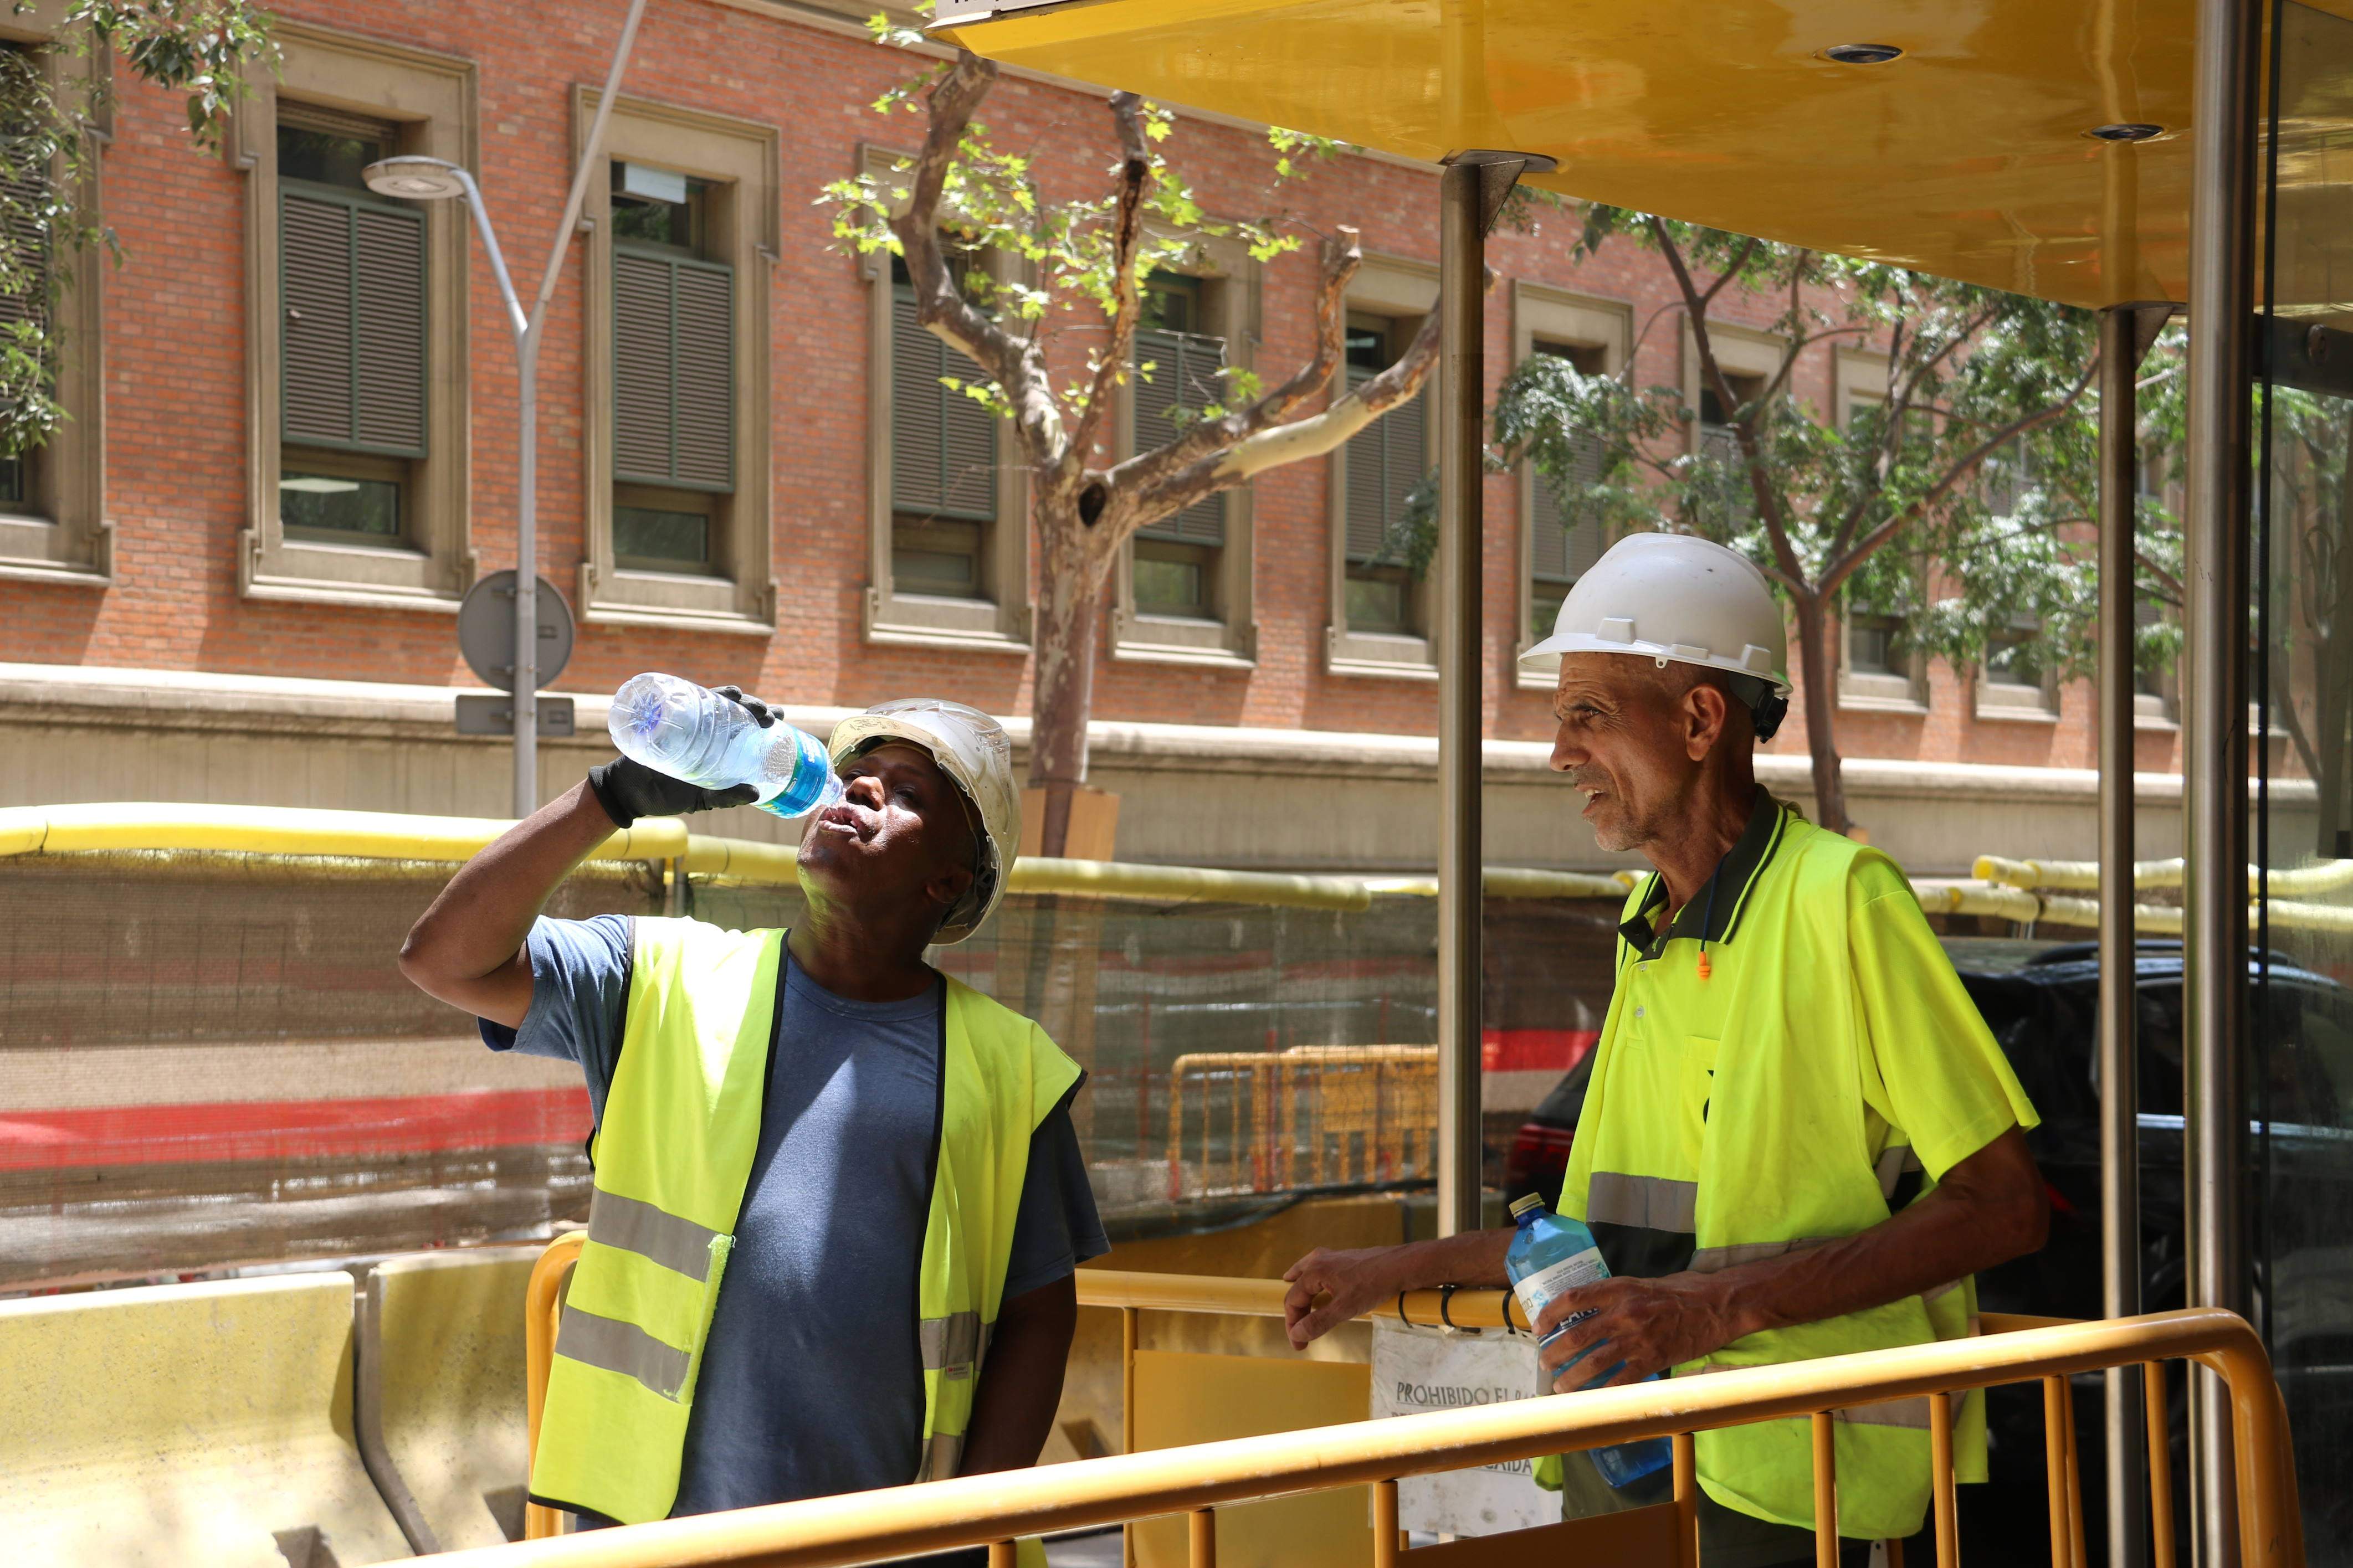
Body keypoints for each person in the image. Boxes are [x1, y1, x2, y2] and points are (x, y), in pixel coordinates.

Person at [1280, 534, 2048, 1566]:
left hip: (1786, 1474)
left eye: (1588, 714)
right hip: (1626, 1446)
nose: (1559, 753)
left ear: (1699, 719)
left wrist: (1711, 1313)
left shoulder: (1844, 901)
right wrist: (1387, 1269)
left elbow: (2004, 1207)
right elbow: (1596, 1237)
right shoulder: (1651, 921)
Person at [399, 689, 1106, 1551]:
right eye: (856, 774)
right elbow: (443, 960)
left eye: (910, 792)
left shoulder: (1011, 1068)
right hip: (652, 1529)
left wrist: (972, 1529)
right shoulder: (664, 974)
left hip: (885, 1541)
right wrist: (612, 798)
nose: (865, 791)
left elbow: (1039, 1315)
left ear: (948, 881)